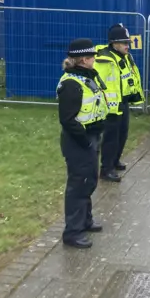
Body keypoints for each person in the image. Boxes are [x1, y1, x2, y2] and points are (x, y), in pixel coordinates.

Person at [57, 38, 109, 249]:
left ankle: (85, 220)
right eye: (91, 57)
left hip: (91, 138)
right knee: (78, 185)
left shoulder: (87, 77)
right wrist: (85, 141)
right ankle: (73, 231)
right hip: (79, 141)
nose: (94, 60)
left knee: (88, 181)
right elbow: (68, 119)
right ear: (83, 60)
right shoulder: (71, 84)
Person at [95, 24, 144, 182]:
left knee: (122, 134)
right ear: (114, 43)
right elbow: (97, 81)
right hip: (110, 105)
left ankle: (115, 161)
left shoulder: (125, 56)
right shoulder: (105, 59)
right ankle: (106, 169)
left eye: (128, 42)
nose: (127, 45)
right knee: (111, 137)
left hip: (122, 102)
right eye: (124, 43)